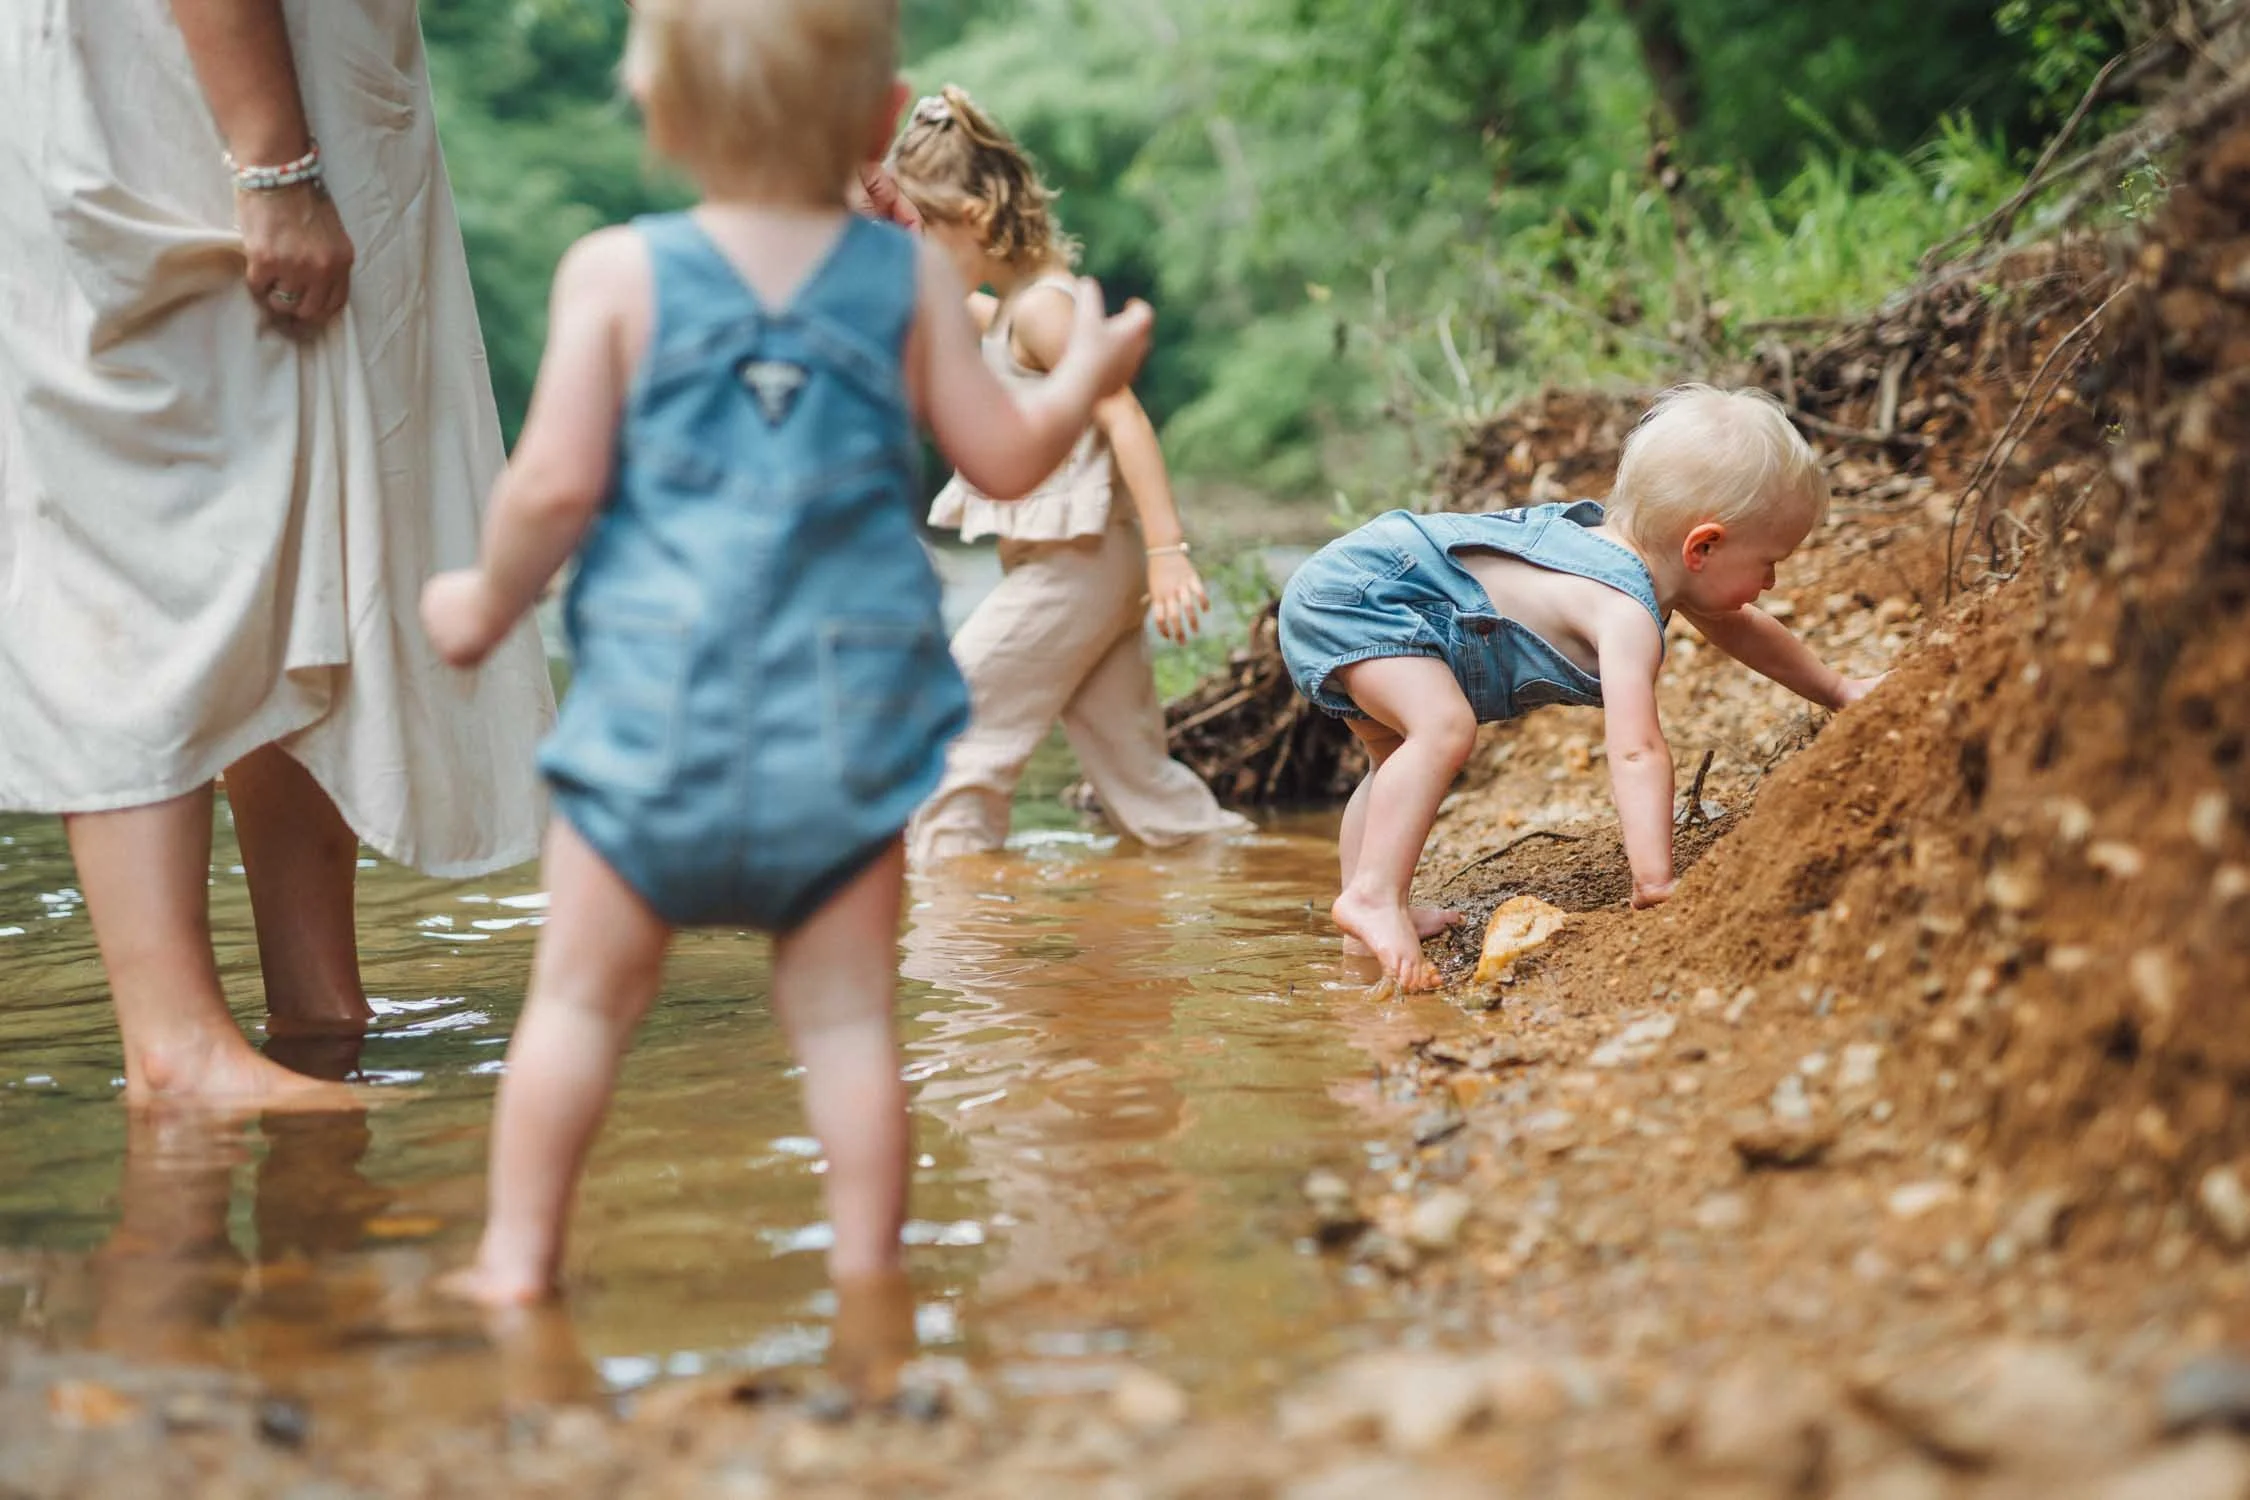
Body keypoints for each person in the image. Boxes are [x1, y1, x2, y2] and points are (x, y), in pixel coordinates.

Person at [417, 0, 1153, 1309]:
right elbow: (1004, 457)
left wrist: (481, 603)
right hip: (844, 743)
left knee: (578, 1009)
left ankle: (517, 1264)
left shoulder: (614, 275)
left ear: (656, 112)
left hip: (650, 733)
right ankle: (870, 1287)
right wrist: (1077, 373)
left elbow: (550, 489)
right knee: (847, 1027)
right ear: (881, 123)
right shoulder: (911, 282)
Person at [0, 0, 555, 1103]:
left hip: (290, 95)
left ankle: (315, 1006)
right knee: (161, 532)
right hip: (184, 100)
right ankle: (177, 1044)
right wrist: (271, 162)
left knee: (306, 534)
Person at [1278, 385, 1885, 991]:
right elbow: (1635, 750)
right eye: (1769, 562)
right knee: (1443, 727)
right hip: (1365, 599)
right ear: (1703, 546)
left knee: (1392, 756)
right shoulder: (1624, 612)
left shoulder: (1622, 555)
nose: (1773, 582)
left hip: (1349, 590)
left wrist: (1837, 690)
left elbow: (1744, 629)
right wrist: (1654, 879)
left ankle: (1369, 918)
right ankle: (1371, 897)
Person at [885, 88, 1254, 864]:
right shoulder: (1017, 306)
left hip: (1078, 566)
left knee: (961, 720)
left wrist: (1168, 551)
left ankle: (957, 923)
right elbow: (961, 322)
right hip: (1083, 567)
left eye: (923, 234)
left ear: (978, 219)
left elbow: (1125, 418)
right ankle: (1234, 870)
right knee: (1137, 773)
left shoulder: (1043, 311)